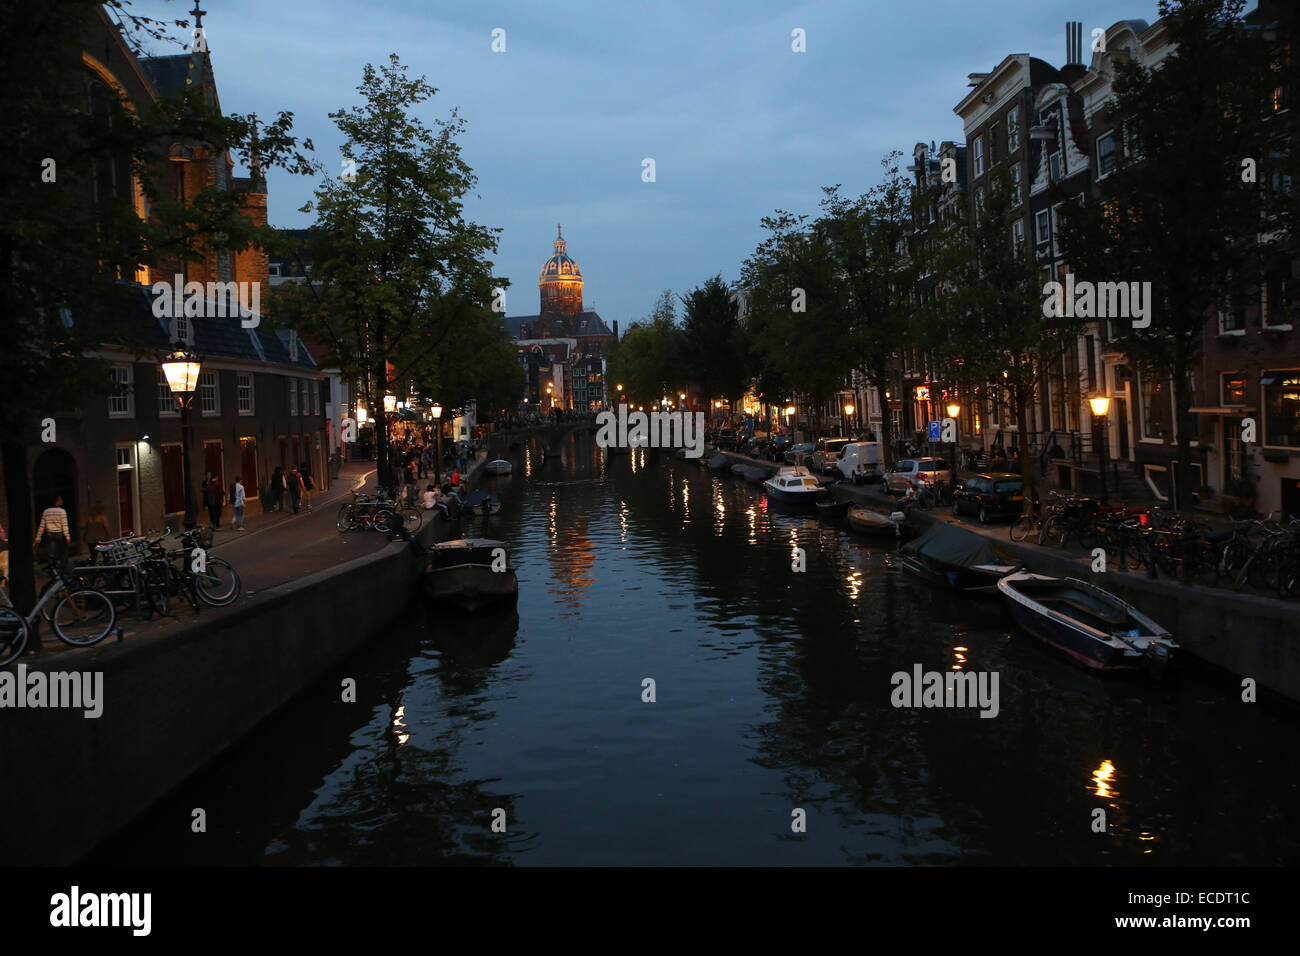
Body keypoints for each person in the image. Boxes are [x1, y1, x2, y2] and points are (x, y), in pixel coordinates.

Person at [33, 494, 72, 571]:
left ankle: (52, 569)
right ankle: (63, 568)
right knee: (63, 551)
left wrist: (38, 536)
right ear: (57, 501)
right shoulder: (62, 511)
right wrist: (67, 536)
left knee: (51, 552)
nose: (62, 501)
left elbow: (42, 525)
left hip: (49, 534)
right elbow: (64, 524)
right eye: (60, 499)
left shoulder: (46, 511)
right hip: (59, 534)